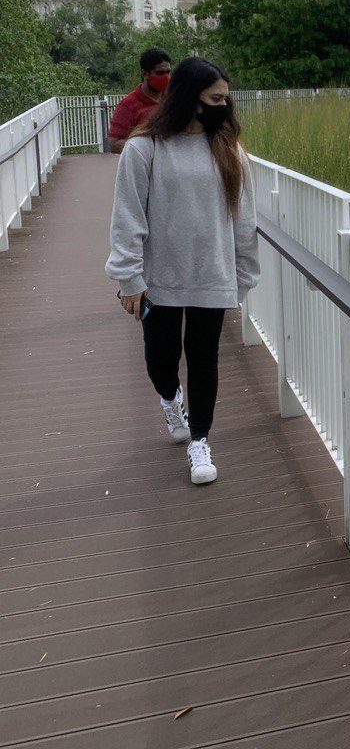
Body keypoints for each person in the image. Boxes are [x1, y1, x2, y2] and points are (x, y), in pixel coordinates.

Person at [105, 57, 260, 485]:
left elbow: (244, 223)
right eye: (216, 99)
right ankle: (171, 399)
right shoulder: (145, 149)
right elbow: (127, 219)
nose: (224, 107)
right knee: (160, 361)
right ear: (192, 100)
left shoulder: (230, 152)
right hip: (159, 280)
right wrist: (129, 280)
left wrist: (243, 277)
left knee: (204, 358)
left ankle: (200, 440)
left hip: (211, 275)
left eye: (225, 99)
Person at [108, 48, 172, 153]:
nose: (166, 77)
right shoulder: (127, 106)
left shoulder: (172, 98)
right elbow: (114, 145)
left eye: (168, 73)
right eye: (160, 73)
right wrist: (147, 143)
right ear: (145, 74)